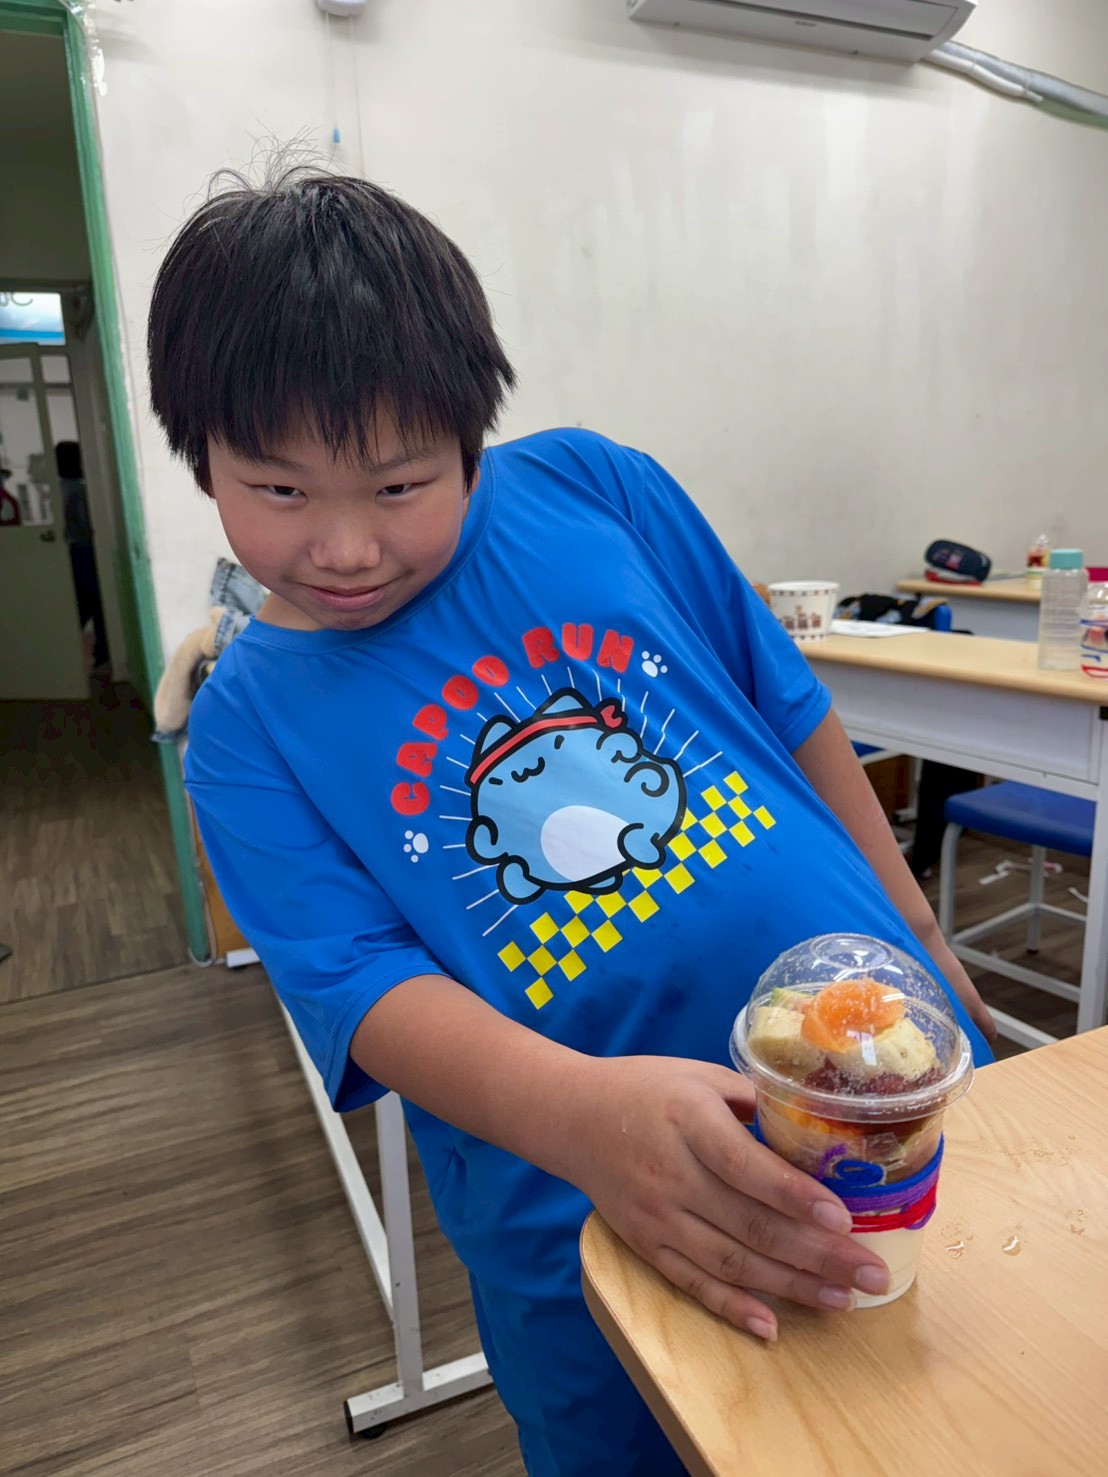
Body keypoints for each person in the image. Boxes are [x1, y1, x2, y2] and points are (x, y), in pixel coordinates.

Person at [148, 171, 995, 1476]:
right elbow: (362, 990)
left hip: (882, 1088)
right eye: (278, 491)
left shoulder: (597, 488)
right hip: (584, 1214)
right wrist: (585, 1118)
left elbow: (786, 704)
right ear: (199, 457)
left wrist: (918, 927)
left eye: (398, 485)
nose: (346, 546)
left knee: (968, 1406)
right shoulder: (246, 731)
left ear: (470, 435)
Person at [56, 440, 108, 669]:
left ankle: (67, 649)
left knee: (80, 602)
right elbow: (88, 524)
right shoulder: (79, 489)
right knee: (96, 603)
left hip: (72, 550)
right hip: (85, 550)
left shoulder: (59, 488)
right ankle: (102, 653)